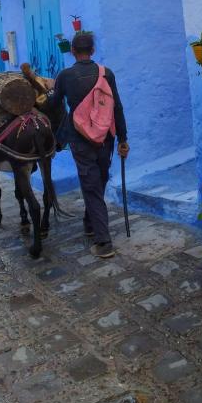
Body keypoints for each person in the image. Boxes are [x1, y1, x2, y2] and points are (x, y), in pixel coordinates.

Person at [49, 32, 129, 258]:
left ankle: (103, 243)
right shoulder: (107, 74)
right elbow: (117, 108)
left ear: (72, 51)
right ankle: (90, 221)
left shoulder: (64, 76)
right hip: (106, 137)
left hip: (80, 138)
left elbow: (54, 103)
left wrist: (49, 94)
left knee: (91, 184)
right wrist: (123, 139)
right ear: (92, 51)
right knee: (99, 180)